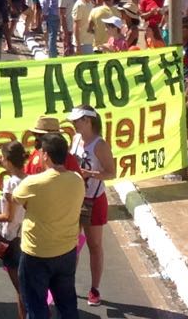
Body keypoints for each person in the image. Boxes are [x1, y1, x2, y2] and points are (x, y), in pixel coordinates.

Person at [12, 133, 86, 319]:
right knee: (67, 304)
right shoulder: (77, 180)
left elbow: (16, 198)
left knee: (36, 306)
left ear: (45, 155)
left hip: (36, 254)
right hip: (66, 251)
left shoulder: (33, 183)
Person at [68, 105, 117, 307]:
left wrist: (90, 174)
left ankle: (94, 288)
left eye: (77, 120)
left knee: (94, 245)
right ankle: (67, 284)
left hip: (93, 199)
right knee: (71, 243)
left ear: (88, 121)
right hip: (74, 198)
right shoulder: (76, 138)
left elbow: (111, 173)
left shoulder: (100, 145)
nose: (73, 123)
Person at [0, 141, 27, 319]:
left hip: (10, 238)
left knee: (20, 288)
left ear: (8, 160)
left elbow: (8, 216)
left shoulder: (10, 184)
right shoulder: (28, 179)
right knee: (25, 284)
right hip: (24, 236)